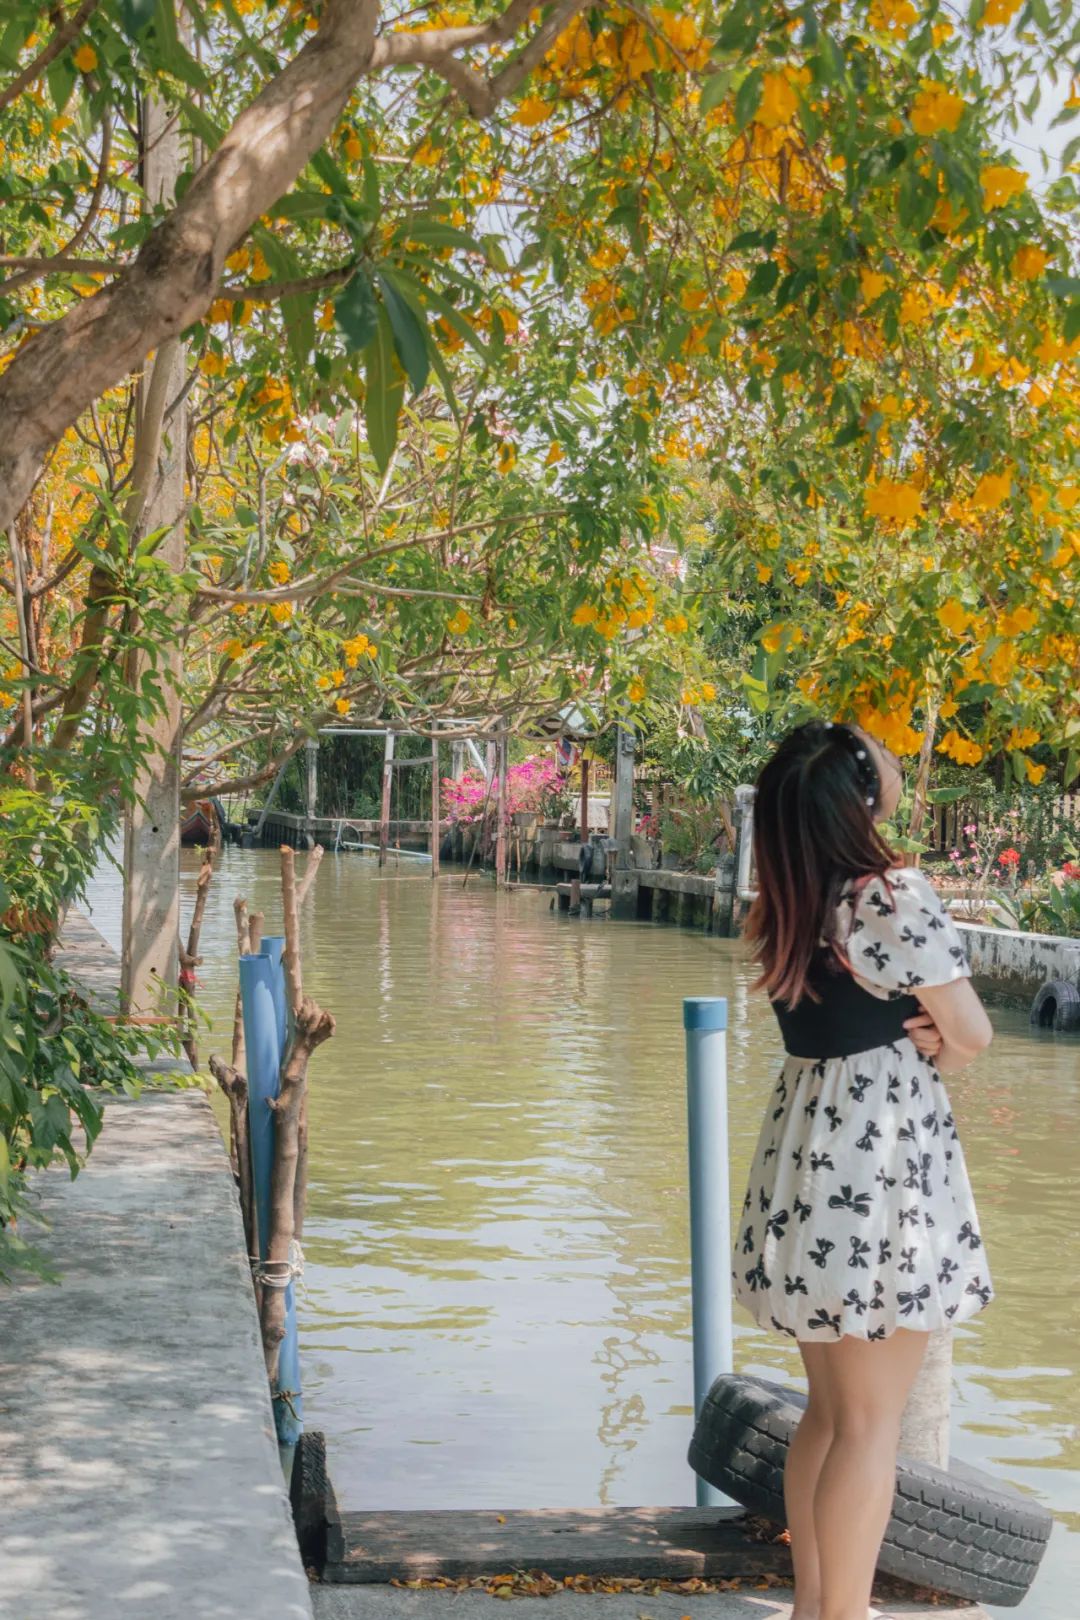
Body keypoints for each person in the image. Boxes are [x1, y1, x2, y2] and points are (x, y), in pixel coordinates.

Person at [733, 719, 994, 1620]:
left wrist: (930, 1036)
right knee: (871, 1424)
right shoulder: (890, 893)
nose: (892, 760)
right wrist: (943, 1047)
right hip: (878, 1162)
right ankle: (839, 1615)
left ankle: (816, 1606)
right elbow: (971, 1033)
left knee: (831, 1415)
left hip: (812, 1154)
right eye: (879, 756)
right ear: (859, 793)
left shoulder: (792, 898)